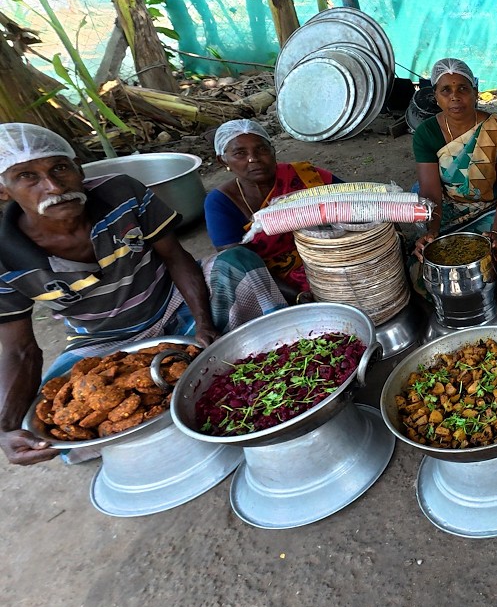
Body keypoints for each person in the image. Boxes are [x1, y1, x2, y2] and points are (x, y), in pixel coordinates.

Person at [0, 124, 286, 465]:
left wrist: (202, 322)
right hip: (102, 342)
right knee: (55, 424)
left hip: (172, 305)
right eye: (27, 176)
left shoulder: (121, 192)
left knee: (237, 263)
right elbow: (19, 350)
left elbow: (176, 258)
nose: (53, 186)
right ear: (4, 191)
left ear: (78, 168)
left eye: (60, 168)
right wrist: (6, 428)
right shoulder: (4, 257)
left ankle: (269, 351)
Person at [204, 119, 341, 299]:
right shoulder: (221, 202)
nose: (253, 159)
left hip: (329, 260)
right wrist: (297, 296)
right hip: (270, 283)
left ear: (273, 150)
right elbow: (239, 262)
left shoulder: (304, 176)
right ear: (223, 160)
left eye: (261, 149)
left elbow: (357, 201)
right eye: (240, 153)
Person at [411, 58, 497, 264]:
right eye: (445, 90)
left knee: (496, 261)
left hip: (494, 209)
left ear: (475, 92)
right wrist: (432, 232)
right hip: (449, 210)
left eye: (463, 88)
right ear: (435, 96)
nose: (455, 97)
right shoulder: (426, 134)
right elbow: (431, 193)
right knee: (424, 263)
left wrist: (496, 232)